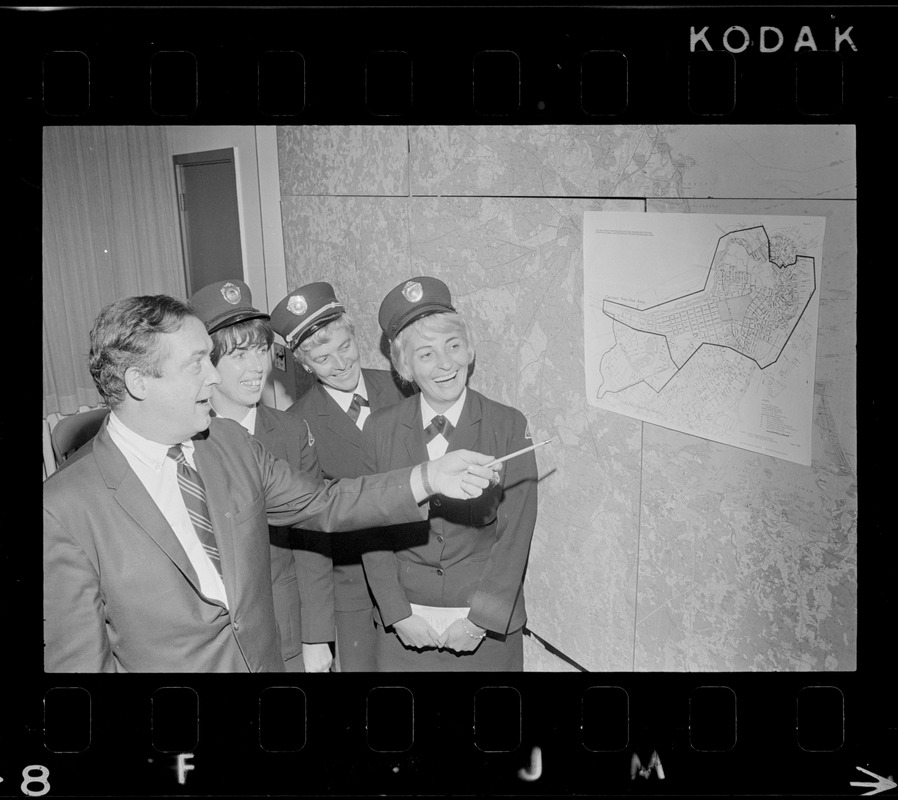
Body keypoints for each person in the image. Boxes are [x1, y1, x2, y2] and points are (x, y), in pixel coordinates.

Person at [42, 294, 501, 673]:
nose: (215, 375)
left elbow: (324, 503)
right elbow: (79, 664)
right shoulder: (64, 507)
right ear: (139, 382)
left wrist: (427, 477)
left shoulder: (228, 443)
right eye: (198, 363)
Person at [361, 276, 539, 671]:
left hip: (484, 626)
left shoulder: (507, 424)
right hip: (405, 627)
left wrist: (480, 621)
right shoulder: (379, 429)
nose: (446, 364)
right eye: (426, 354)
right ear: (404, 367)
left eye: (453, 346)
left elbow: (516, 535)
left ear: (469, 351)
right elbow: (369, 528)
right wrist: (397, 614)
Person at [188, 279, 334, 673]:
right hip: (212, 644)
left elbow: (313, 537)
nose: (256, 367)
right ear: (208, 364)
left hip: (285, 629)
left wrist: (316, 635)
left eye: (260, 350)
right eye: (238, 355)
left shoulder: (291, 432)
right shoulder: (183, 441)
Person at [271, 282, 411, 672]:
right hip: (353, 593)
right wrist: (316, 633)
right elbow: (308, 531)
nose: (340, 363)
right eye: (322, 358)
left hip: (419, 573)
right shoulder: (296, 425)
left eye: (345, 347)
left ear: (355, 335)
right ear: (303, 364)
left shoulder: (403, 389)